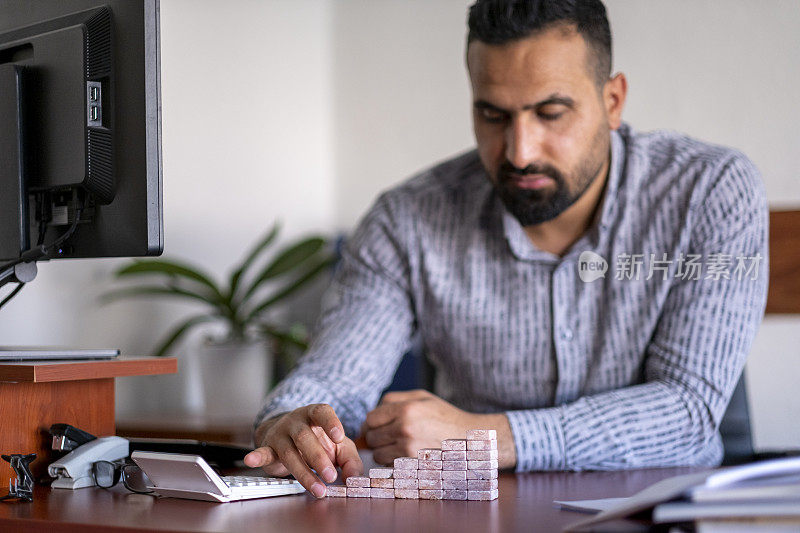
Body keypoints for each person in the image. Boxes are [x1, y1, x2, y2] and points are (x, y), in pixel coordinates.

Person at [244, 0, 768, 498]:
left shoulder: (712, 192)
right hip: (481, 518)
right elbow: (335, 379)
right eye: (493, 116)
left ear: (613, 102)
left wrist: (486, 438)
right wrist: (294, 422)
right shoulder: (407, 220)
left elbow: (689, 410)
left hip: (666, 511)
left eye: (551, 113)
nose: (519, 151)